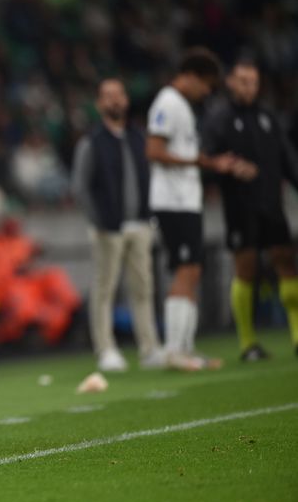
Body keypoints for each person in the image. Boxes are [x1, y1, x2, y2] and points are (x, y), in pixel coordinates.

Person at [146, 47, 247, 369]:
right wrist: (199, 161)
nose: (206, 92)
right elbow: (154, 150)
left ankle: (184, 348)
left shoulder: (182, 107)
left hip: (186, 200)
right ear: (189, 76)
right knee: (186, 269)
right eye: (205, 84)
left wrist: (209, 163)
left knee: (193, 270)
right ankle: (174, 349)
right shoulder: (167, 103)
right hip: (172, 201)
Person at [203, 60, 298, 360]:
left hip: (272, 203)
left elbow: (288, 159)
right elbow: (207, 161)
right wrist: (227, 168)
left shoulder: (268, 116)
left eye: (253, 82)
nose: (248, 87)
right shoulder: (219, 119)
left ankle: (297, 335)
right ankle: (247, 342)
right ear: (231, 81)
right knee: (246, 268)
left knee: (286, 262)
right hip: (240, 208)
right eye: (243, 81)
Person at [72, 78, 164, 372]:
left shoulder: (139, 138)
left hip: (140, 224)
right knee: (105, 289)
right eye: (108, 96)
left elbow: (152, 178)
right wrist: (98, 221)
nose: (114, 101)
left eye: (119, 95)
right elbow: (80, 187)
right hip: (107, 229)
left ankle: (149, 348)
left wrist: (151, 217)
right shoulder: (92, 142)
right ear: (100, 104)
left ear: (125, 100)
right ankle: (106, 349)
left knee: (143, 289)